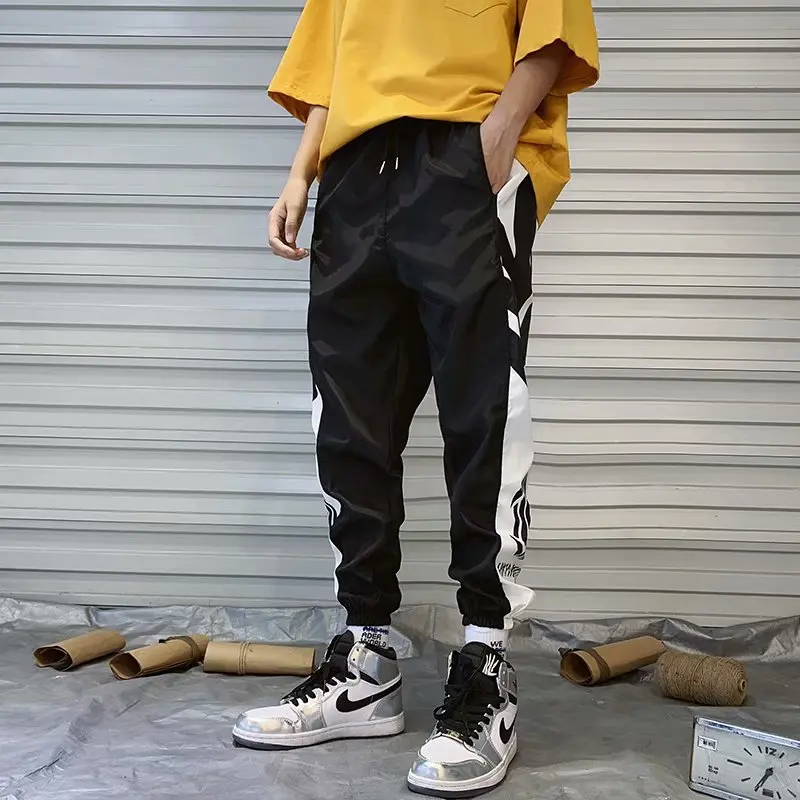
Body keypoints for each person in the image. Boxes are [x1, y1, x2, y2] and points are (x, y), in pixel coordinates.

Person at [232, 1, 599, 795]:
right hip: (353, 170)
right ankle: (365, 659)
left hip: (462, 153)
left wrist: (496, 139)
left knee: (484, 415)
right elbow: (329, 65)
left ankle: (486, 659)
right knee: (349, 418)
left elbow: (552, 33)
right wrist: (300, 172)